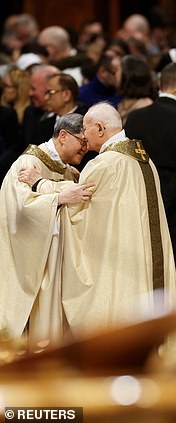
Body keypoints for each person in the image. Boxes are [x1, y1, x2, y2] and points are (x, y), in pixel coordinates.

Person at [57, 103, 176, 343]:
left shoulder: (103, 164)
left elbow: (78, 215)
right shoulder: (145, 160)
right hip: (144, 262)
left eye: (85, 129)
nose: (83, 136)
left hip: (122, 267)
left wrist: (42, 187)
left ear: (100, 129)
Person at [0, 113, 93, 348]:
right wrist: (59, 197)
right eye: (83, 142)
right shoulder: (28, 163)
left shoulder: (67, 170)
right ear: (63, 135)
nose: (86, 148)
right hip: (33, 260)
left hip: (55, 258)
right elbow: (19, 210)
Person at [125, 62, 176, 277]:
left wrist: (150, 200)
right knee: (173, 271)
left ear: (160, 84)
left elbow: (127, 162)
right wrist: (164, 202)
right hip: (175, 210)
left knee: (141, 268)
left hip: (139, 202)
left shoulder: (135, 118)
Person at [117, 55, 156, 126]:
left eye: (117, 71)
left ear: (128, 76)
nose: (114, 74)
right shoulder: (122, 103)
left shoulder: (146, 107)